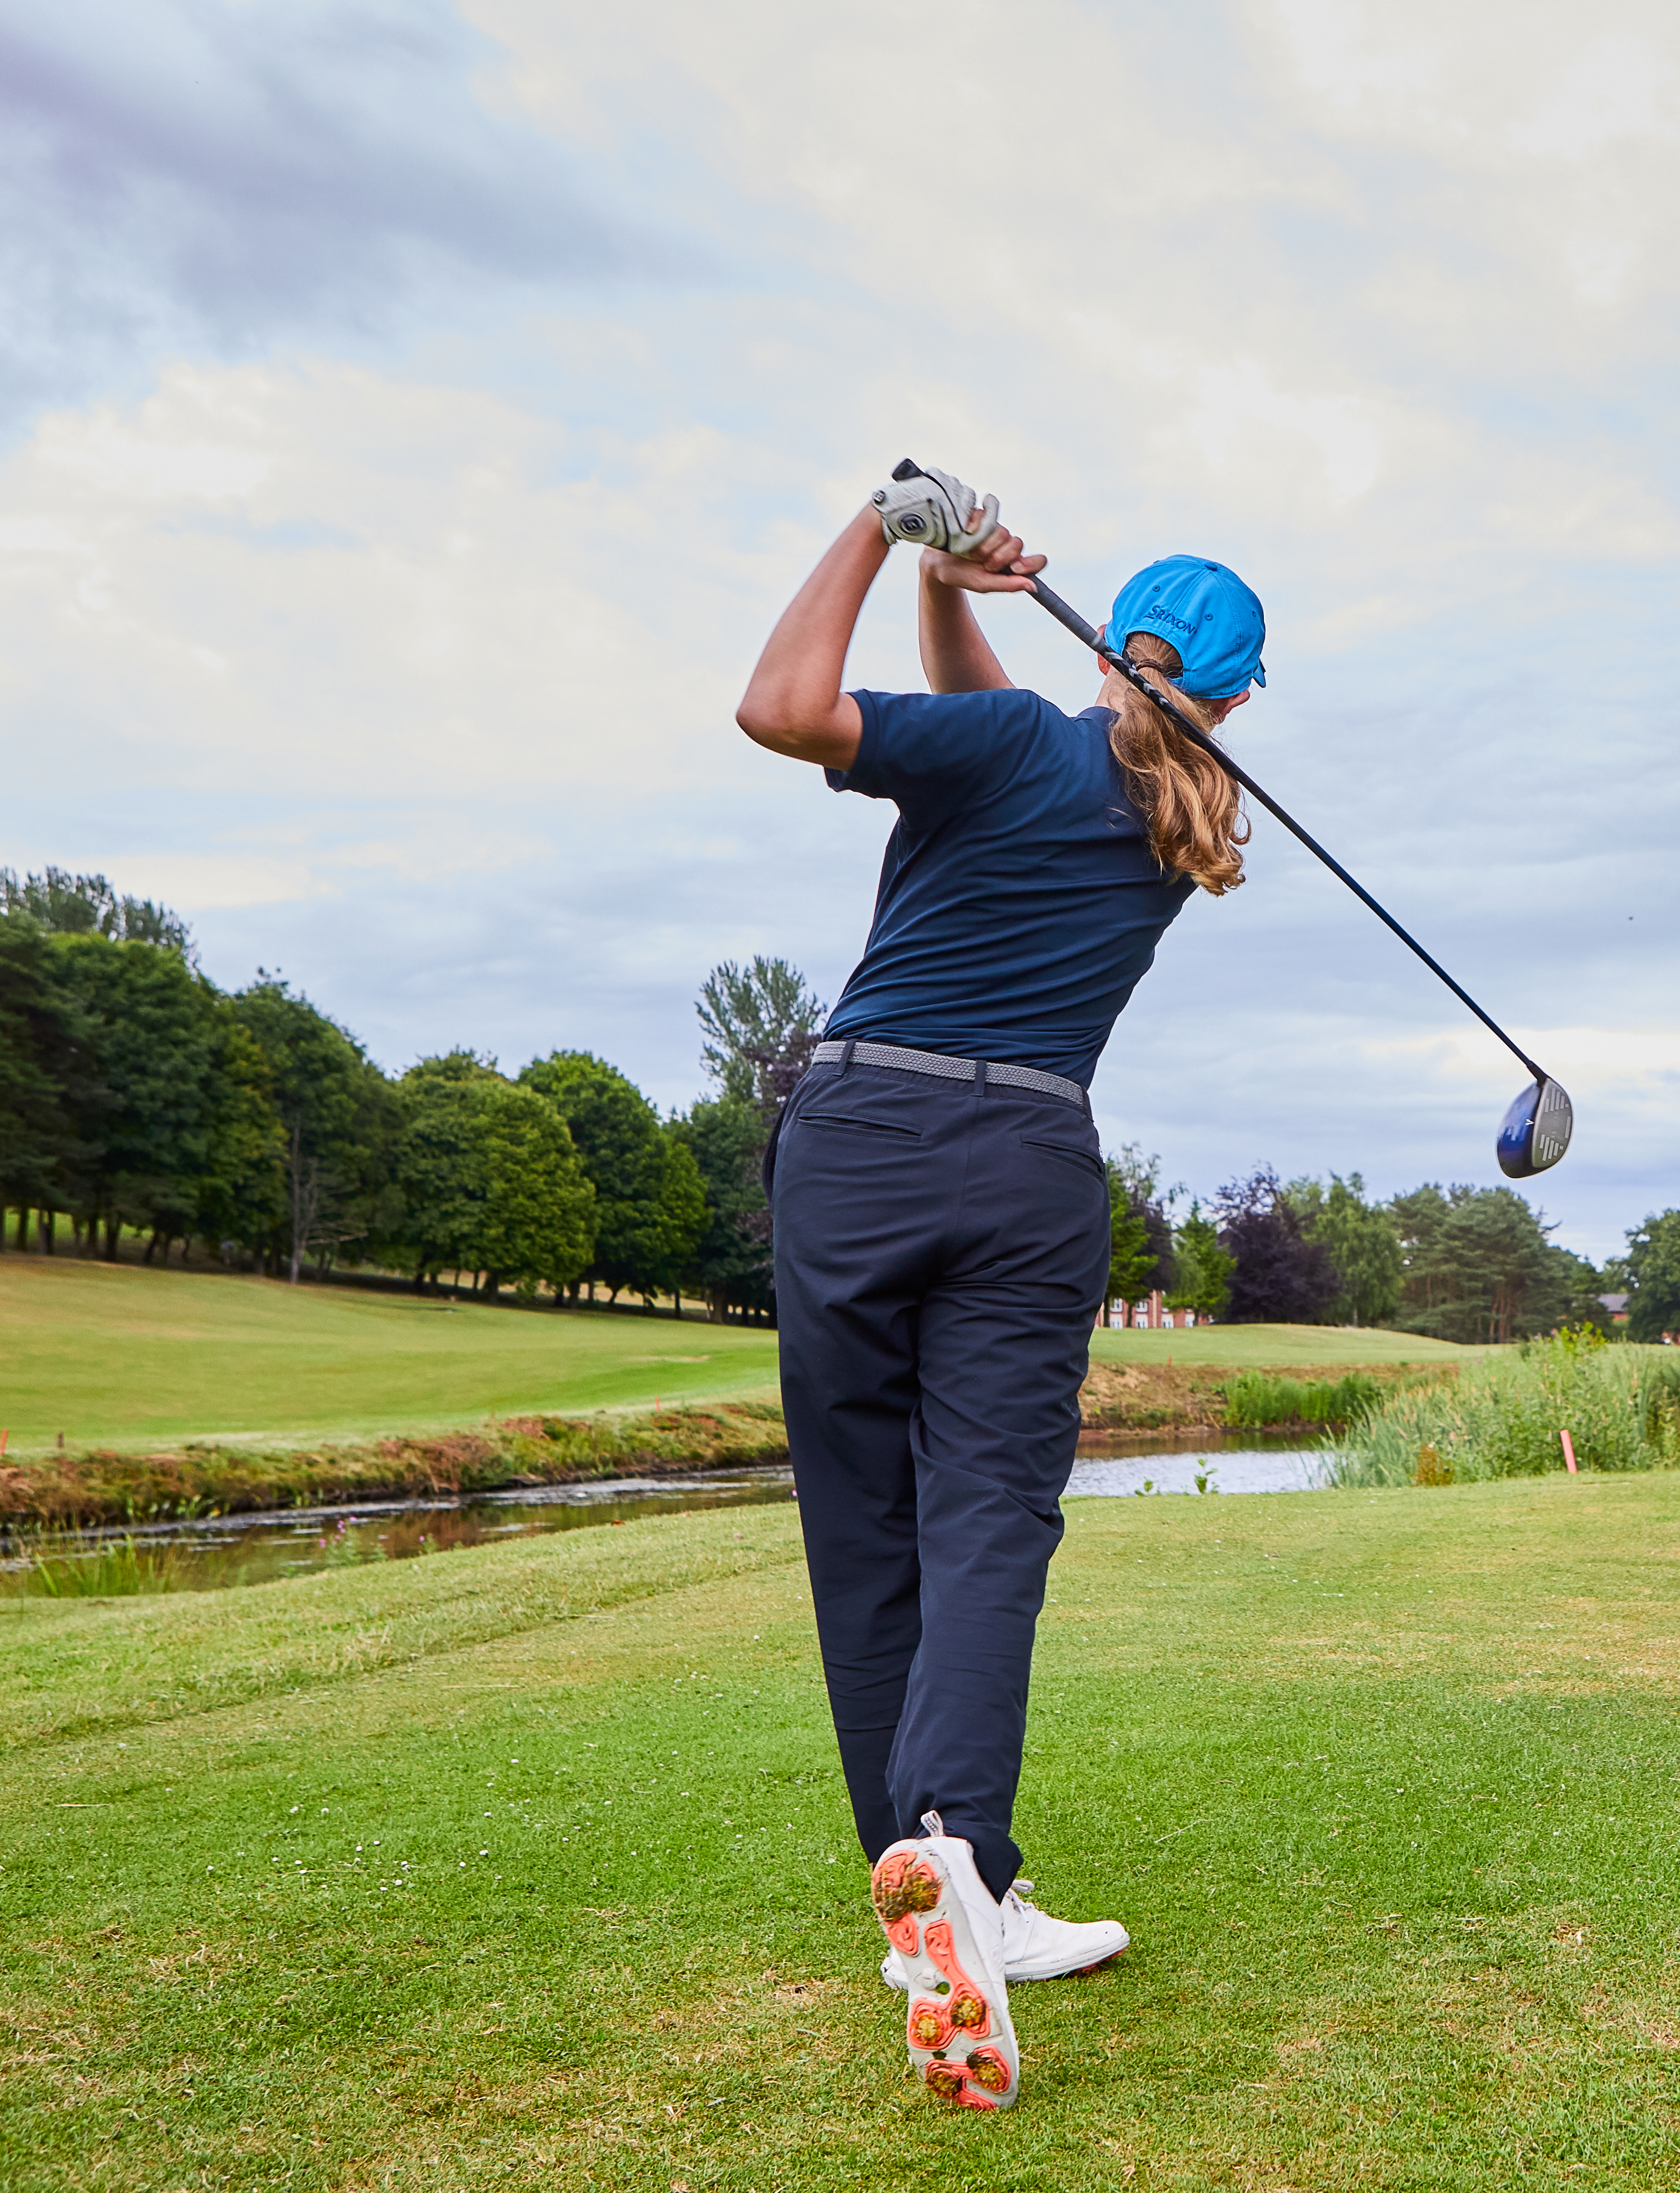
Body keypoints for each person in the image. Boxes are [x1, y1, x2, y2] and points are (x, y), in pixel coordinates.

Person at [732, 463, 1266, 2110]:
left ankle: (932, 1901)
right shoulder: (1181, 819)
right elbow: (997, 725)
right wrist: (957, 586)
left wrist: (882, 530)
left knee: (868, 1529)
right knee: (985, 1525)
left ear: (1111, 646)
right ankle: (960, 1859)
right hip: (1030, 1167)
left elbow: (779, 709)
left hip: (864, 1137)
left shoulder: (1020, 745)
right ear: (1236, 697)